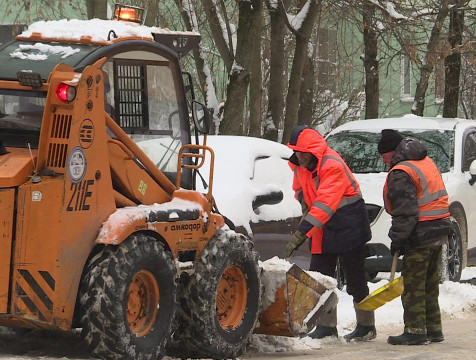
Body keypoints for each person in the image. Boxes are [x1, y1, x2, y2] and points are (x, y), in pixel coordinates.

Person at [284, 125, 375, 342]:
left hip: (349, 224)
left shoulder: (332, 165)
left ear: (313, 150)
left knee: (355, 278)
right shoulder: (299, 165)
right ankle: (326, 327)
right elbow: (299, 187)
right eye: (296, 151)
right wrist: (302, 200)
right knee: (320, 277)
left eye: (302, 151)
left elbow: (325, 206)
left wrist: (301, 234)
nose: (299, 156)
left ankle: (366, 326)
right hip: (323, 226)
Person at [378, 129, 452, 345]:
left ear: (392, 152)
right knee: (430, 284)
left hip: (420, 234)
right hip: (439, 230)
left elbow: (405, 212)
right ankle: (434, 329)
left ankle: (416, 331)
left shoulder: (401, 172)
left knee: (413, 285)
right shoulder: (424, 161)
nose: (383, 161)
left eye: (383, 156)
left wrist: (397, 240)